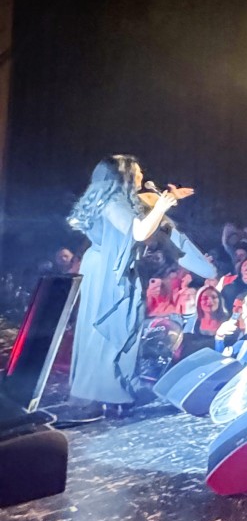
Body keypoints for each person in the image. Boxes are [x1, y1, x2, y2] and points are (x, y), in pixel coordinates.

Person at [66, 155, 195, 416]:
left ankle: (108, 389)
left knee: (113, 327)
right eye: (136, 173)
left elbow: (141, 210)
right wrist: (162, 207)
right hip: (108, 270)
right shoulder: (113, 202)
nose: (140, 177)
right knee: (108, 327)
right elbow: (138, 232)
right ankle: (103, 391)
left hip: (106, 265)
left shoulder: (117, 200)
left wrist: (167, 200)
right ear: (123, 176)